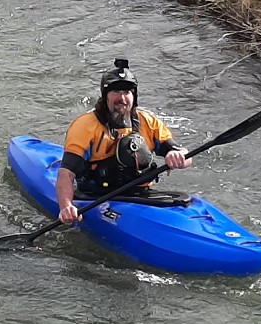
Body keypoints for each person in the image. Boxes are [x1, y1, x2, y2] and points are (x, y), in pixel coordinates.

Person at [57, 58, 191, 223]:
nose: (122, 98)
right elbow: (66, 173)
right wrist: (66, 206)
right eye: (115, 92)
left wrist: (177, 156)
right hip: (95, 196)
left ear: (134, 96)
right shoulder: (85, 126)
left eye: (127, 92)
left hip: (139, 194)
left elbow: (186, 156)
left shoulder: (147, 121)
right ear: (105, 96)